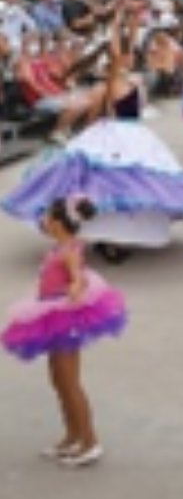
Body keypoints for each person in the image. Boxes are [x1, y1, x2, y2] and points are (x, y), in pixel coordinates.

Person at [3, 24, 183, 253]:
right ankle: (110, 234)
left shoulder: (128, 76)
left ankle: (120, 233)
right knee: (119, 182)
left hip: (132, 132)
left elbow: (130, 48)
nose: (134, 56)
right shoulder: (115, 77)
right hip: (120, 133)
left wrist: (128, 19)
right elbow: (116, 53)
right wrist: (116, 25)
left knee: (135, 182)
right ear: (121, 57)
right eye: (129, 54)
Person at [1, 195, 127, 467]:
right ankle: (72, 436)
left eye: (47, 216)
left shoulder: (70, 249)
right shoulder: (59, 247)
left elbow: (78, 277)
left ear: (58, 222)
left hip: (65, 322)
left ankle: (90, 442)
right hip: (51, 318)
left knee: (70, 383)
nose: (43, 220)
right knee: (58, 380)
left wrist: (76, 287)